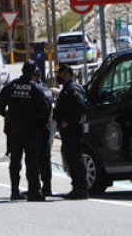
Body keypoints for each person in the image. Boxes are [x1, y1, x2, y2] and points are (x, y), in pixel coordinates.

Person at [0, 60, 52, 201]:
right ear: (33, 73)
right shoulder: (34, 88)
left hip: (14, 130)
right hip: (30, 130)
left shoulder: (11, 86)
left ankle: (14, 191)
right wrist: (37, 121)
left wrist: (7, 114)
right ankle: (33, 191)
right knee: (31, 160)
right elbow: (45, 108)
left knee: (15, 161)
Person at [54, 62, 88, 199]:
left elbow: (79, 107)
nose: (58, 76)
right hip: (68, 131)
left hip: (73, 130)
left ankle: (80, 188)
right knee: (71, 157)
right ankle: (77, 187)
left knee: (75, 158)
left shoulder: (73, 89)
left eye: (60, 73)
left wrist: (67, 121)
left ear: (67, 74)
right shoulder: (66, 89)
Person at [32, 64, 55, 196]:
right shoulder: (47, 89)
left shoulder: (35, 89)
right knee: (46, 158)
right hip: (47, 127)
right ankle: (47, 186)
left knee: (35, 158)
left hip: (37, 128)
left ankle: (36, 187)